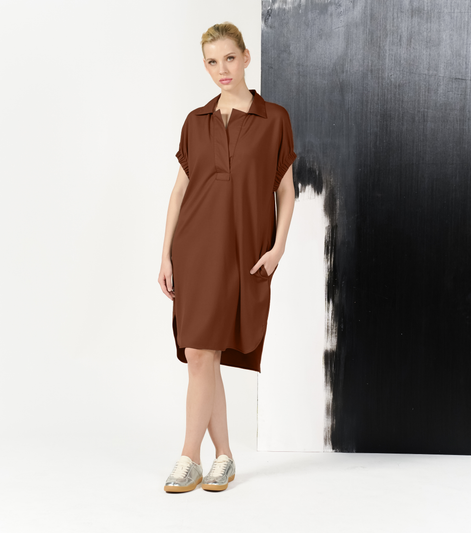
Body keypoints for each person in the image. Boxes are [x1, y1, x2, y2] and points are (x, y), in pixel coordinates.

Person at [158, 22, 297, 493]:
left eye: (230, 58)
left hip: (241, 250)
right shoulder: (195, 121)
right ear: (205, 66)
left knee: (208, 354)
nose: (222, 69)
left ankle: (213, 458)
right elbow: (179, 193)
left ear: (246, 58)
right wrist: (165, 256)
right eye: (213, 62)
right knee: (201, 353)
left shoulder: (274, 118)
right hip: (194, 249)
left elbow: (285, 190)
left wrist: (278, 247)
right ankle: (198, 457)